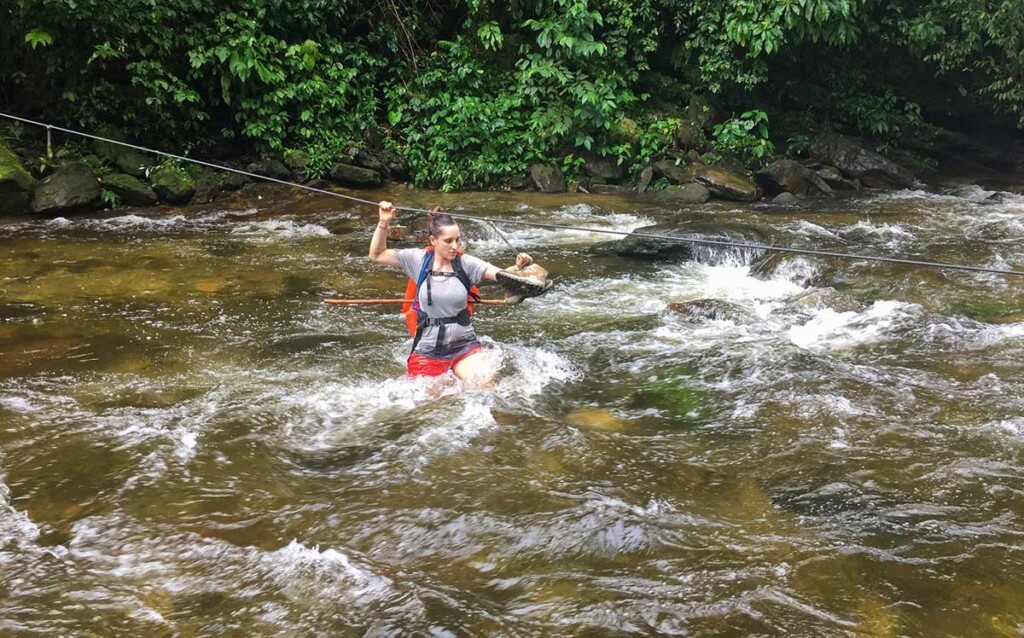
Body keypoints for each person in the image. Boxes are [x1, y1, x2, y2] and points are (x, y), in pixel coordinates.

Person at [368, 200, 533, 386]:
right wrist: (384, 222)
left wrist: (520, 271)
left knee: (485, 384)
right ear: (433, 241)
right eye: (448, 241)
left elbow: (500, 275)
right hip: (428, 350)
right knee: (432, 401)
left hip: (464, 346)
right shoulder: (417, 260)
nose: (455, 246)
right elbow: (377, 254)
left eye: (457, 240)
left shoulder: (466, 263)